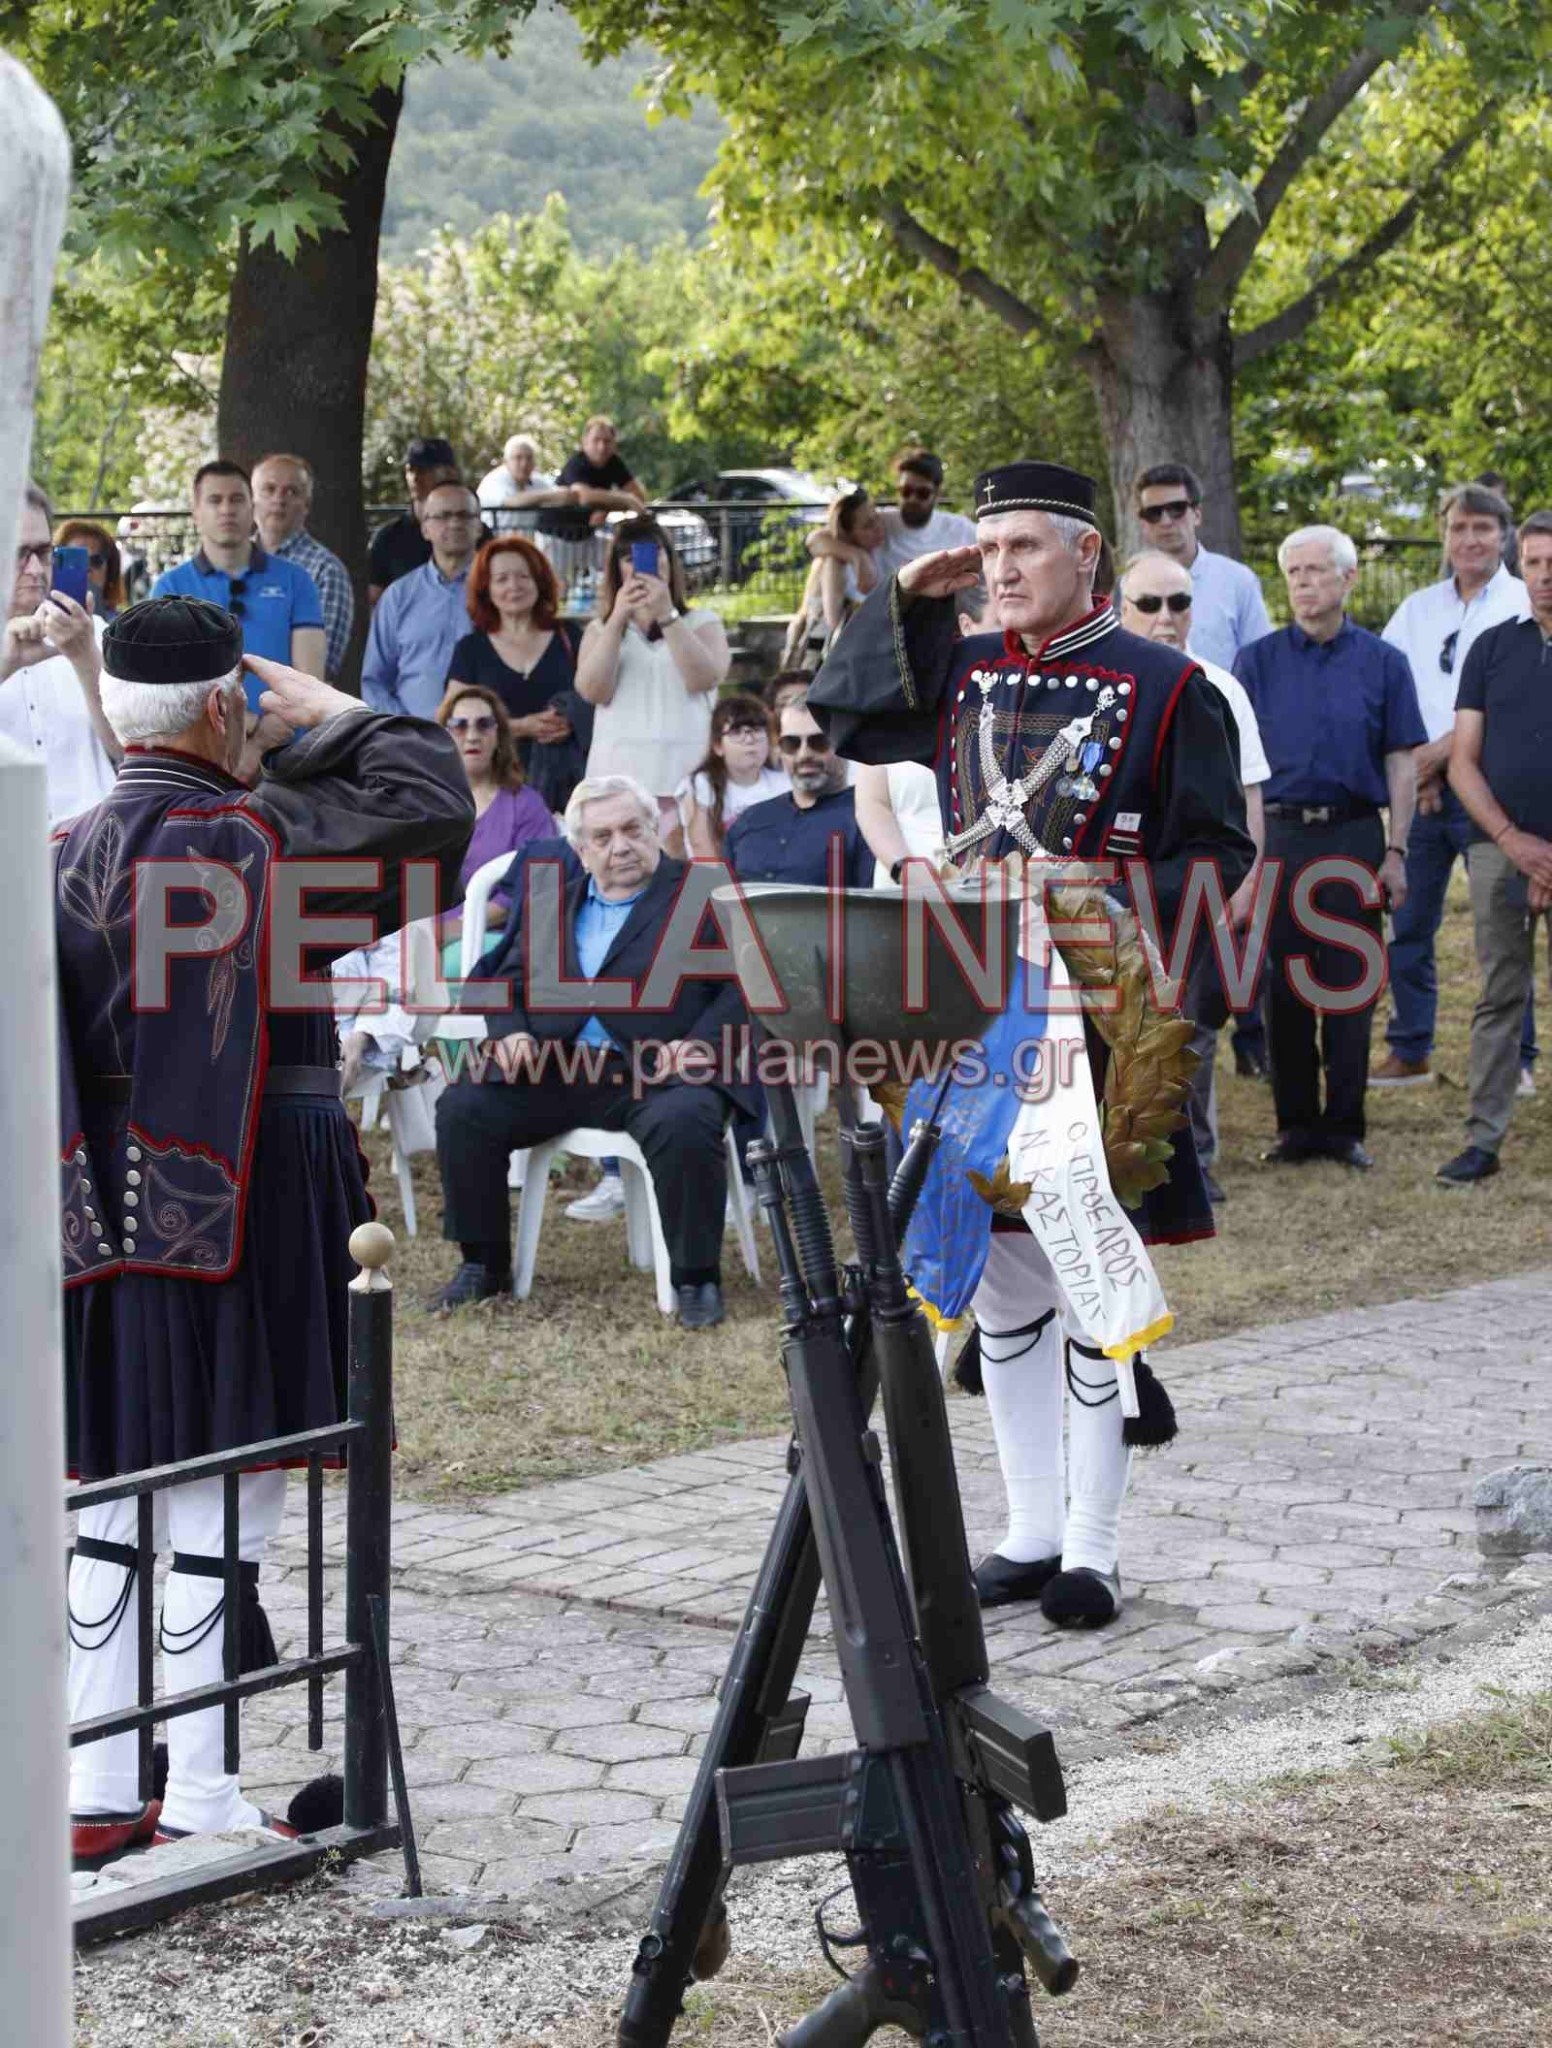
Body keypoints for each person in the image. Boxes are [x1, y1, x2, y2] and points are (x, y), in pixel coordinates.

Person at [60, 599, 472, 1865]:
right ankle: (200, 1794)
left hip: (88, 1196)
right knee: (229, 1477)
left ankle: (94, 1782)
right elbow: (432, 804)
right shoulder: (262, 841)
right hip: (254, 1183)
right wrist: (337, 716)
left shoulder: (52, 846)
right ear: (230, 709)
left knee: (115, 1477)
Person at [810, 460, 1254, 1627]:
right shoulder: (959, 666)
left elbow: (1217, 859)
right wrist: (910, 592)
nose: (1001, 568)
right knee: (1001, 1280)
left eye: (1024, 548)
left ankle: (1094, 1551)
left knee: (1076, 1264)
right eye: (988, 548)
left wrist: (1094, 892)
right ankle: (1027, 1531)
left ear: (1086, 553)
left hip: (1094, 1019)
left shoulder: (1169, 686)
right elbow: (846, 709)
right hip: (966, 1015)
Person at [432, 774, 753, 1327]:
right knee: (463, 1107)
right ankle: (482, 1264)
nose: (620, 846)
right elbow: (494, 978)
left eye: (632, 829)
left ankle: (696, 1279)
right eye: (601, 837)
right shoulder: (550, 899)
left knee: (686, 1119)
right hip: (557, 1068)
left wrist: (698, 1048)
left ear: (656, 830)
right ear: (580, 850)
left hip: (658, 1072)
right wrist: (510, 1032)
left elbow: (743, 988)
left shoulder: (700, 894)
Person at [1234, 526, 1424, 1169]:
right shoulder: (1256, 663)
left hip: (1352, 835)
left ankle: (1345, 1127)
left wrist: (1396, 850)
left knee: (1349, 984)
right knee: (1282, 988)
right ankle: (1296, 1127)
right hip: (1279, 836)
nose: (1304, 582)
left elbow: (1402, 760)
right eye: (1294, 572)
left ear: (1348, 579)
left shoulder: (1384, 663)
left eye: (1317, 570)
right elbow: (1240, 767)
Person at [1117, 549, 1270, 1200]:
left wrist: (1245, 887)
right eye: (1148, 603)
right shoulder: (1106, 686)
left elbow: (1250, 795)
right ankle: (1122, 1164)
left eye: (1179, 602)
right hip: (1112, 891)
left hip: (1197, 891)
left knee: (1195, 1029)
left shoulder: (1219, 686)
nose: (1165, 617)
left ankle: (1194, 1164)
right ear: (1121, 609)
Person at [1374, 482, 1532, 1089]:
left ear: (1504, 536)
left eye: (1483, 529)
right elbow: (1391, 694)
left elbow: (1515, 709)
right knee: (1408, 924)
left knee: (1504, 934)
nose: (1469, 540)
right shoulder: (1416, 609)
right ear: (1445, 535)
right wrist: (1420, 775)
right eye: (1459, 528)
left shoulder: (1522, 605)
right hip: (1426, 802)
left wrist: (1433, 764)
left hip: (1492, 797)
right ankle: (1410, 1048)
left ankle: (1515, 1060)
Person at [1436, 511, 1552, 1184]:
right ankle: (1483, 1140)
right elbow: (1462, 762)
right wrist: (1516, 843)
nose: (1544, 578)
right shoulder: (1490, 648)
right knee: (1499, 993)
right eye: (1534, 564)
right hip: (1497, 849)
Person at [575, 516, 730, 848]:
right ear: (617, 570)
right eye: (629, 557)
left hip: (687, 783)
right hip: (618, 785)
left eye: (653, 552)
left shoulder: (703, 622)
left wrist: (666, 614)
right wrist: (618, 618)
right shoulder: (599, 631)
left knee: (690, 888)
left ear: (669, 561)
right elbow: (592, 690)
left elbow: (703, 678)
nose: (643, 564)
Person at [151, 461, 326, 703]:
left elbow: (310, 679)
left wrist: (273, 729)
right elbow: (168, 683)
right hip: (204, 738)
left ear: (252, 508)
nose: (227, 509)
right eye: (215, 500)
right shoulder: (170, 588)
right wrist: (248, 725)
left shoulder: (296, 580)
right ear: (196, 513)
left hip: (286, 735)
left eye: (236, 499)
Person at [1, 482, 120, 826]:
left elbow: (130, 751)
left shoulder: (93, 630)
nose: (36, 569)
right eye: (17, 553)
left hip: (94, 845)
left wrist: (85, 657)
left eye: (42, 551)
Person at [445, 536, 582, 790]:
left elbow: (597, 700)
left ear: (539, 582)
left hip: (568, 782)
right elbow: (451, 720)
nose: (514, 586)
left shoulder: (570, 636)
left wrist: (574, 721)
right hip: (495, 783)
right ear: (486, 589)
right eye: (502, 579)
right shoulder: (471, 648)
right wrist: (521, 727)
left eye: (524, 576)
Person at [362, 481, 484, 720]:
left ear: (479, 525)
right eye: (443, 516)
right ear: (425, 528)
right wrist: (406, 729)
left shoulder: (501, 591)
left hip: (488, 739)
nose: (454, 523)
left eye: (464, 515)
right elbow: (374, 682)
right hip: (414, 742)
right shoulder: (398, 597)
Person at [1133, 462, 1272, 671]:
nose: (1166, 521)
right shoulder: (1129, 587)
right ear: (1143, 523)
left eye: (1176, 509)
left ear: (1197, 514)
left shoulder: (1238, 581)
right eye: (1154, 513)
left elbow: (1263, 662)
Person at [725, 695, 875, 887]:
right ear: (779, 748)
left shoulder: (869, 819)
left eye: (819, 742)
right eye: (792, 744)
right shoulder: (750, 820)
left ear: (844, 743)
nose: (804, 754)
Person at [251, 453, 356, 681]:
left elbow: (320, 667)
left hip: (291, 706)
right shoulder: (228, 564)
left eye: (292, 492)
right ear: (252, 498)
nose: (279, 499)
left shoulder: (326, 570)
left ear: (306, 505)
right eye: (269, 489)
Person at [536, 416, 647, 591]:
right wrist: (624, 499)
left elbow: (638, 496)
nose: (602, 446)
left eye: (607, 441)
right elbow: (584, 496)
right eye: (596, 440)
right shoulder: (576, 464)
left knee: (619, 561)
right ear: (585, 441)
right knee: (555, 590)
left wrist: (606, 507)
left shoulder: (614, 463)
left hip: (586, 536)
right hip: (555, 536)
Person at [786, 487, 886, 667]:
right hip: (825, 656)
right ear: (848, 533)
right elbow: (835, 621)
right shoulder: (835, 562)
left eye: (877, 518)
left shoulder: (873, 551)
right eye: (867, 525)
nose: (878, 528)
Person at [678, 691, 785, 858]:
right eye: (736, 732)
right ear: (718, 746)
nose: (749, 739)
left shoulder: (785, 783)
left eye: (756, 730)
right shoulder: (702, 784)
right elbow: (702, 848)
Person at [368, 436, 463, 601]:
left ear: (450, 472)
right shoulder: (388, 537)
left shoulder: (473, 531)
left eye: (426, 470)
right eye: (410, 470)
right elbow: (375, 597)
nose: (416, 477)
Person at [477, 434, 569, 534]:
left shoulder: (537, 480)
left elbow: (563, 496)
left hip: (523, 545)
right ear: (506, 461)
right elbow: (512, 502)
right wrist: (548, 496)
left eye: (529, 458)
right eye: (518, 458)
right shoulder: (495, 480)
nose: (524, 463)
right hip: (493, 543)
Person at [54, 518, 127, 621]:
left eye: (95, 561)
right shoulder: (42, 618)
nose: (86, 569)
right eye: (76, 560)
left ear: (110, 570)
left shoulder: (123, 626)